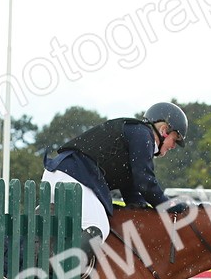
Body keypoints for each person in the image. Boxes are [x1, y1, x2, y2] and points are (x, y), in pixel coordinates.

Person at [41, 102, 188, 255]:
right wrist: (167, 204)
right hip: (74, 177)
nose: (174, 146)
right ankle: (63, 268)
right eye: (175, 139)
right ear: (164, 130)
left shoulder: (136, 134)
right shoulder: (143, 135)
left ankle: (47, 259)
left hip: (58, 174)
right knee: (98, 227)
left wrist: (143, 210)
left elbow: (132, 191)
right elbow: (145, 182)